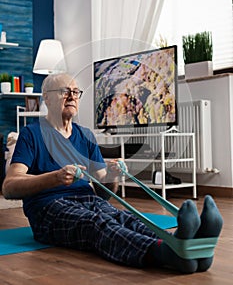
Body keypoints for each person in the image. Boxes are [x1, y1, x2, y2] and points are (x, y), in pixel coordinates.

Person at [2, 73, 223, 273]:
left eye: (75, 92)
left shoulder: (85, 135)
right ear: (46, 98)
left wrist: (113, 176)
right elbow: (9, 186)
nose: (71, 96)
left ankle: (185, 246)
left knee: (125, 217)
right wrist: (56, 177)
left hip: (87, 200)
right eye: (64, 91)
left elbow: (104, 191)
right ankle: (164, 253)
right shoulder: (32, 134)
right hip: (48, 209)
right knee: (96, 223)